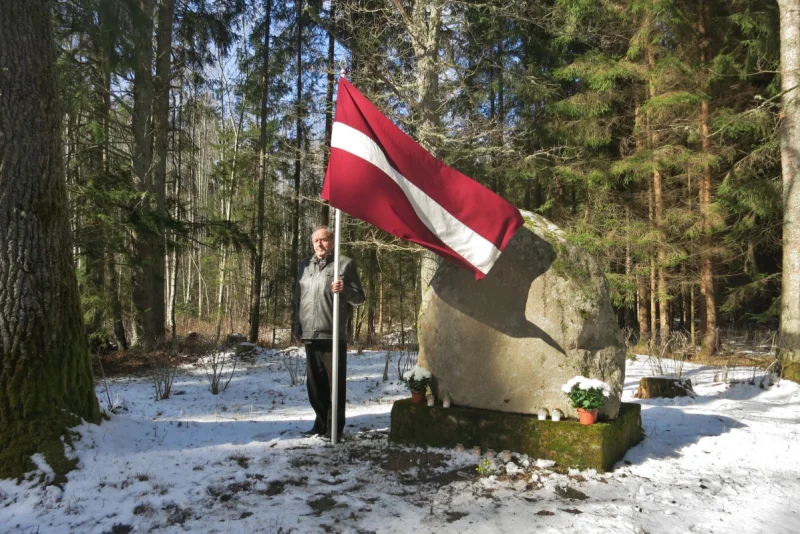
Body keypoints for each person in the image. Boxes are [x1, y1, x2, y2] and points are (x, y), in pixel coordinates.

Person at [293, 225, 365, 438]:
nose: (319, 244)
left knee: (335, 386)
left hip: (333, 335)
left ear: (332, 242)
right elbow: (298, 298)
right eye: (316, 241)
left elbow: (360, 298)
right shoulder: (305, 265)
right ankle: (320, 423)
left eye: (323, 240)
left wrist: (345, 290)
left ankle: (334, 428)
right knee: (315, 386)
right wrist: (297, 325)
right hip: (309, 334)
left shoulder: (344, 264)